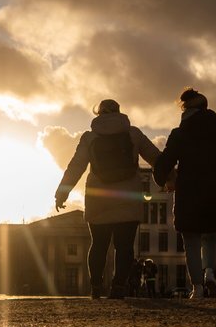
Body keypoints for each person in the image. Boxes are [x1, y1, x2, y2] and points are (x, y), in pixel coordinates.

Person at [55, 99, 163, 299]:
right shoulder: (134, 134)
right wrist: (169, 179)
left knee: (99, 245)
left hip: (99, 199)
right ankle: (118, 287)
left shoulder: (89, 137)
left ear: (99, 114)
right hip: (128, 198)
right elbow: (156, 157)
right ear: (119, 112)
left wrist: (62, 192)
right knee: (124, 247)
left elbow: (76, 166)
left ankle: (96, 286)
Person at [153, 88, 216, 299]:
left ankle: (197, 288)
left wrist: (161, 180)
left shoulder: (179, 134)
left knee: (191, 240)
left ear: (185, 109)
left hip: (188, 192)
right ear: (206, 108)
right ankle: (210, 274)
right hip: (213, 190)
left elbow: (165, 161)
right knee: (210, 235)